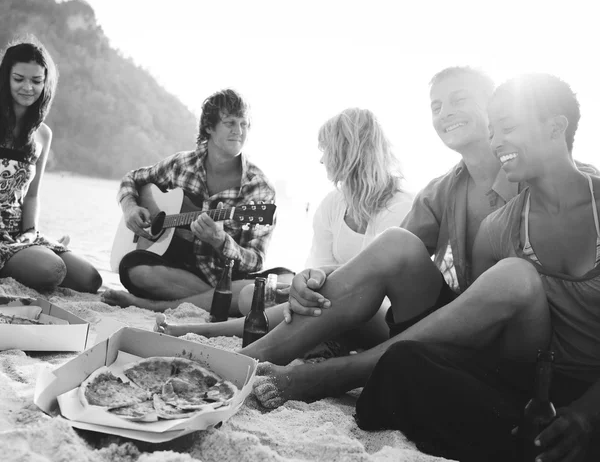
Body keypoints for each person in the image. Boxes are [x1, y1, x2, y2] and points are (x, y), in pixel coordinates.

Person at [231, 67, 596, 409]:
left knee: (514, 276)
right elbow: (377, 264)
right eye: (436, 106)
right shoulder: (445, 191)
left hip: (532, 346)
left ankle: (338, 371)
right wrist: (314, 275)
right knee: (395, 243)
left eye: (459, 99)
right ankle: (246, 358)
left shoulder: (545, 175)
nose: (445, 112)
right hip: (471, 330)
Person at [354, 73, 600, 462]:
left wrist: (587, 416)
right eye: (492, 130)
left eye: (508, 127)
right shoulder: (497, 228)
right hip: (536, 380)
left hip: (593, 392)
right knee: (404, 365)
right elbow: (484, 340)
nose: (496, 140)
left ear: (555, 127)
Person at [155, 107, 413, 347]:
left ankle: (205, 332)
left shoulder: (398, 206)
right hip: (331, 300)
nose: (322, 160)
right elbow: (318, 267)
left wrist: (311, 288)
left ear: (348, 150)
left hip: (378, 313)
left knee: (315, 301)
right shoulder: (334, 203)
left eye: (327, 149)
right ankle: (308, 335)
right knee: (250, 296)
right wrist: (301, 288)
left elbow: (372, 284)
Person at [101, 88, 277, 315]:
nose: (239, 131)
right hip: (176, 271)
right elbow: (132, 179)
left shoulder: (259, 187)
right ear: (209, 127)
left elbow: (256, 261)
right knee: (132, 267)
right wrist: (130, 207)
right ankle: (218, 303)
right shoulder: (181, 164)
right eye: (230, 123)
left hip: (221, 277)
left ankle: (155, 305)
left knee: (266, 283)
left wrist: (221, 241)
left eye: (244, 124)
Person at [0, 39, 102, 293]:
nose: (27, 87)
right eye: (19, 78)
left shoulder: (42, 134)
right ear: (6, 78)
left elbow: (32, 195)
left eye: (36, 81)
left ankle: (32, 252)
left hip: (19, 231)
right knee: (52, 270)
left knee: (90, 280)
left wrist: (30, 231)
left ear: (46, 83)